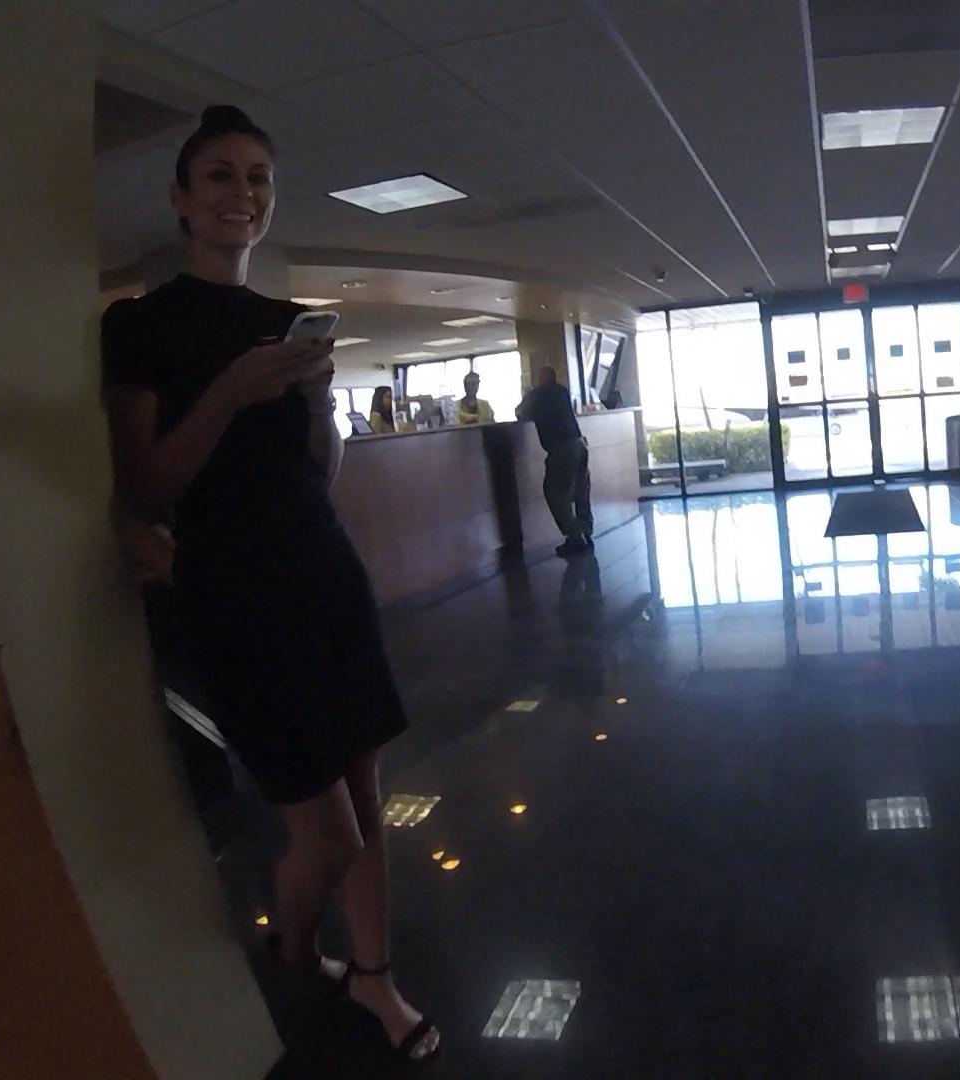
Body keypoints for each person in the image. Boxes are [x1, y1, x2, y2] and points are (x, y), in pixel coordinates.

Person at [99, 106, 439, 1062]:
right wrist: (229, 393)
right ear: (180, 198)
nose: (241, 194)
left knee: (366, 794)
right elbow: (146, 486)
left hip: (325, 576)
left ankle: (374, 976)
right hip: (234, 598)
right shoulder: (140, 325)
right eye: (219, 175)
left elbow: (314, 476)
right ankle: (296, 958)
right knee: (326, 833)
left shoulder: (279, 323)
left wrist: (319, 404)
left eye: (258, 178)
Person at [517, 366, 594, 556]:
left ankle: (575, 536)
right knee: (581, 491)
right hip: (579, 444)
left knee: (555, 493)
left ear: (541, 378)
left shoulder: (537, 395)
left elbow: (521, 413)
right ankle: (586, 530)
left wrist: (528, 395)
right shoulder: (562, 391)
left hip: (561, 449)